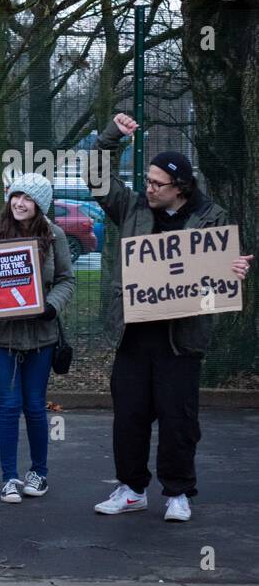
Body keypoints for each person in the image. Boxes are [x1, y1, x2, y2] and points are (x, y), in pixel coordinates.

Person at [86, 113, 252, 522]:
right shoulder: (132, 207)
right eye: (148, 180)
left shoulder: (212, 217)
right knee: (129, 417)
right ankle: (131, 489)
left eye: (158, 183)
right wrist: (112, 138)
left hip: (182, 339)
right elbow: (96, 176)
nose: (150, 187)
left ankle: (177, 492)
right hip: (133, 335)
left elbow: (224, 265)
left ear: (181, 188)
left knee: (179, 421)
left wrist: (235, 271)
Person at [0, 173, 75, 504]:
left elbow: (67, 280)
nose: (19, 203)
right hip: (0, 336)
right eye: (15, 196)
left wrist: (51, 307)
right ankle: (9, 477)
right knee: (9, 405)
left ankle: (38, 473)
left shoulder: (54, 236)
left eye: (27, 198)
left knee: (36, 407)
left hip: (41, 336)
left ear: (40, 204)